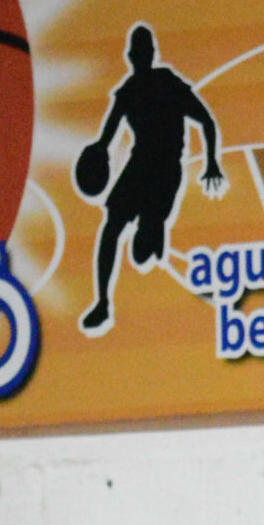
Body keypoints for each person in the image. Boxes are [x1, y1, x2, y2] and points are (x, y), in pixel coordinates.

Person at [79, 24, 224, 333]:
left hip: (166, 170)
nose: (138, 57)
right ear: (132, 56)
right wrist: (96, 155)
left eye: (142, 52)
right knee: (112, 225)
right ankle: (102, 302)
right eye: (136, 52)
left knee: (142, 249)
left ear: (147, 54)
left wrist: (212, 161)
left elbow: (206, 121)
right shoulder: (128, 91)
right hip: (140, 164)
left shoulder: (168, 83)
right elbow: (106, 139)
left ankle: (153, 230)